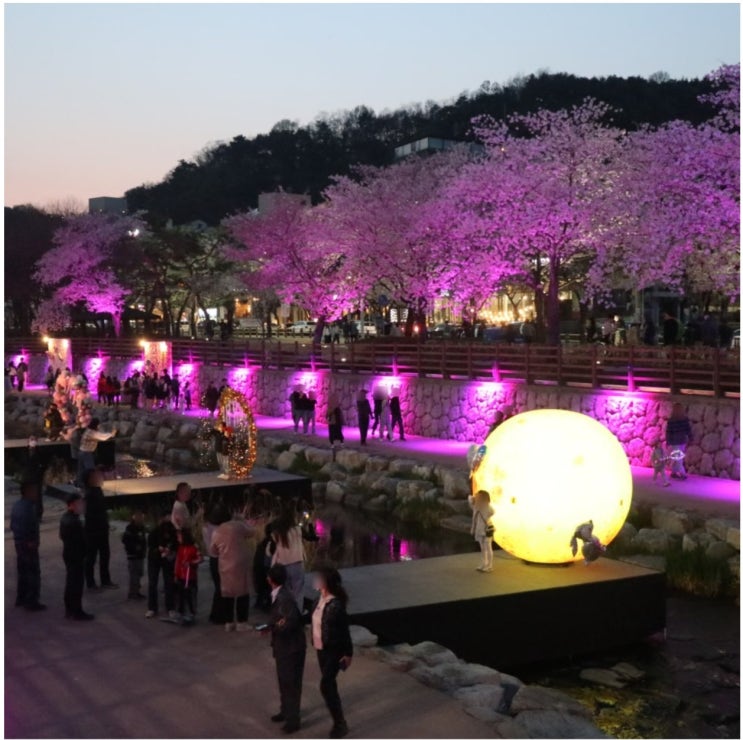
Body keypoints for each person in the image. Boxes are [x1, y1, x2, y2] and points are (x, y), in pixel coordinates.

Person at [310, 567, 353, 739]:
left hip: (334, 651)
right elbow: (311, 619)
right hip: (320, 649)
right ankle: (339, 720)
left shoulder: (336, 605)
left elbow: (344, 631)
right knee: (330, 686)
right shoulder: (317, 600)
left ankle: (340, 723)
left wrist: (348, 654)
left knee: (326, 685)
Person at [267, 564, 306, 735]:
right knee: (284, 680)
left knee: (291, 683)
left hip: (291, 647)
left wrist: (274, 627)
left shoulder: (284, 598)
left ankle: (293, 720)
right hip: (284, 646)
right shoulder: (281, 595)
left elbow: (289, 622)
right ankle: (286, 711)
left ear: (270, 579)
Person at [211, 509, 256, 632]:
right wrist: (244, 521)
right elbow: (252, 532)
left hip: (224, 565)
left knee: (227, 593)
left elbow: (213, 550)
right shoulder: (237, 526)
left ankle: (229, 622)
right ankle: (242, 622)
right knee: (242, 592)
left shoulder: (216, 532)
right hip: (240, 564)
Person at [10, 481, 45, 611]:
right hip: (28, 544)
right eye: (34, 491)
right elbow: (29, 525)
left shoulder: (17, 505)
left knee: (23, 571)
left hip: (19, 542)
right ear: (28, 492)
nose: (36, 494)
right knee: (32, 572)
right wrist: (31, 540)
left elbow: (13, 525)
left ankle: (21, 598)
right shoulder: (29, 507)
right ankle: (31, 602)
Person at [60, 492, 94, 620]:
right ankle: (76, 611)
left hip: (69, 554)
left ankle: (69, 609)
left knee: (71, 582)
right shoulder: (73, 521)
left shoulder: (66, 518)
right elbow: (80, 540)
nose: (82, 505)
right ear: (72, 505)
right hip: (75, 555)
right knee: (76, 583)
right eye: (80, 503)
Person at [83, 468, 118, 591]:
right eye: (95, 476)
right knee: (91, 557)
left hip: (102, 529)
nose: (99, 478)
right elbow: (90, 514)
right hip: (93, 531)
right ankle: (91, 583)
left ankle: (105, 580)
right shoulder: (89, 494)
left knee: (105, 555)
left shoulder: (98, 490)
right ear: (90, 480)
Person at [203, 504, 233, 625]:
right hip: (222, 559)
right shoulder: (222, 530)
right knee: (223, 588)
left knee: (219, 588)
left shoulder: (207, 527)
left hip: (213, 559)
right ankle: (220, 616)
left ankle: (216, 615)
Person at [146, 510, 178, 620]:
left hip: (167, 559)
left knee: (169, 583)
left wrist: (169, 549)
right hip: (154, 559)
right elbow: (151, 545)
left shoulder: (172, 529)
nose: (169, 518)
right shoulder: (154, 531)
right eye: (167, 516)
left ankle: (170, 608)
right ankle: (152, 608)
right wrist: (158, 549)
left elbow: (175, 542)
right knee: (152, 583)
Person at [271, 508, 305, 609]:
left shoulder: (277, 533)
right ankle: (297, 613)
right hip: (297, 564)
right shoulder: (297, 530)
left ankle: (284, 612)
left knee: (284, 592)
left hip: (282, 565)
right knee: (298, 592)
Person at [76, 418, 116, 488]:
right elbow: (102, 437)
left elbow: (100, 434)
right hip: (86, 453)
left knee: (81, 470)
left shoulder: (88, 430)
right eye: (98, 425)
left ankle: (80, 483)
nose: (98, 427)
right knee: (90, 469)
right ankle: (89, 484)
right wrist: (111, 434)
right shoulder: (91, 433)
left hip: (82, 452)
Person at [174, 528, 200, 625]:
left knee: (190, 595)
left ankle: (191, 613)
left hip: (190, 576)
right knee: (180, 594)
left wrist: (191, 562)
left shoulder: (193, 547)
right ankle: (181, 612)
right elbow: (178, 561)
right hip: (181, 575)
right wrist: (176, 574)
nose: (178, 539)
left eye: (179, 537)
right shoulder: (180, 548)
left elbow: (200, 558)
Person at [122, 509, 147, 599]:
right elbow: (125, 540)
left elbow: (143, 540)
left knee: (139, 573)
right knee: (134, 574)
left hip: (140, 555)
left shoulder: (142, 527)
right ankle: (133, 593)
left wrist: (143, 550)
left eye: (141, 516)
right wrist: (134, 547)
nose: (140, 518)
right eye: (138, 516)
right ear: (134, 517)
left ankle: (136, 591)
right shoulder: (130, 528)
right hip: (133, 555)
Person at [468, 489, 495, 573]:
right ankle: (484, 563)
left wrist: (484, 504)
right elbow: (469, 498)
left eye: (479, 497)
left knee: (488, 547)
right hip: (479, 529)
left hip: (487, 529)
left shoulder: (487, 508)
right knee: (483, 548)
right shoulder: (476, 506)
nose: (477, 498)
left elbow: (492, 512)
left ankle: (489, 565)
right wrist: (475, 497)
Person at [666, 403, 692, 480]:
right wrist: (691, 437)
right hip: (682, 440)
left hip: (675, 441)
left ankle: (678, 472)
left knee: (677, 457)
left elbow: (668, 432)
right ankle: (678, 472)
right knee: (678, 457)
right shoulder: (684, 420)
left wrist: (668, 441)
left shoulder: (671, 421)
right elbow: (688, 430)